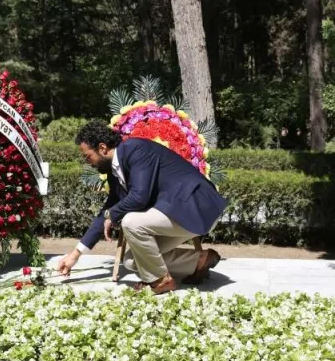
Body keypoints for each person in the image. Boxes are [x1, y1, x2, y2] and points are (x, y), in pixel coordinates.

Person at [57, 120, 228, 294]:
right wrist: (75, 255)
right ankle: (199, 260)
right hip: (180, 213)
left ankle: (161, 280)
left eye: (88, 156)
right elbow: (107, 210)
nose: (88, 162)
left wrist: (112, 214)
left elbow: (140, 196)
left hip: (197, 207)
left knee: (131, 222)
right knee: (132, 261)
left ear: (102, 148)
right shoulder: (115, 172)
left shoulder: (136, 149)